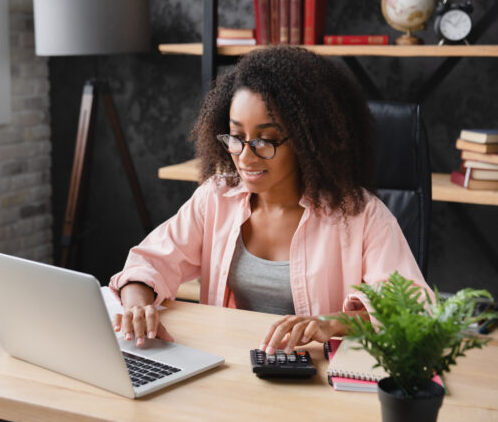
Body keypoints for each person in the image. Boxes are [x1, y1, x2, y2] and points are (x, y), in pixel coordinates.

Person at [109, 46, 430, 355]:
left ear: (308, 140)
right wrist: (138, 307)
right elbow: (148, 263)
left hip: (321, 384)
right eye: (236, 137)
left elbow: (416, 312)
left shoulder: (361, 215)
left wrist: (334, 323)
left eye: (266, 140)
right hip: (230, 367)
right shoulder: (217, 197)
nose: (245, 157)